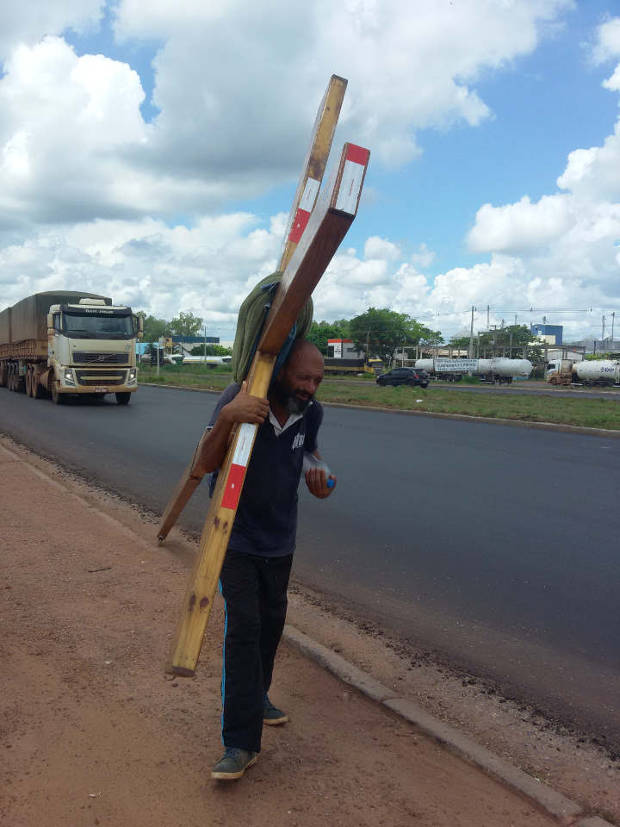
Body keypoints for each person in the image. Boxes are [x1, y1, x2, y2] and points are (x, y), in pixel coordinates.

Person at [194, 339, 336, 781]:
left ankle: (259, 695)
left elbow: (310, 452)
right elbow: (204, 462)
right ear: (279, 373)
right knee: (245, 629)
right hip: (234, 538)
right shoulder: (240, 397)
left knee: (272, 623)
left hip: (280, 541)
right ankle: (240, 743)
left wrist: (321, 476)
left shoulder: (310, 412)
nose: (311, 387)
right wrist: (227, 418)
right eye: (303, 378)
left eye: (317, 380)